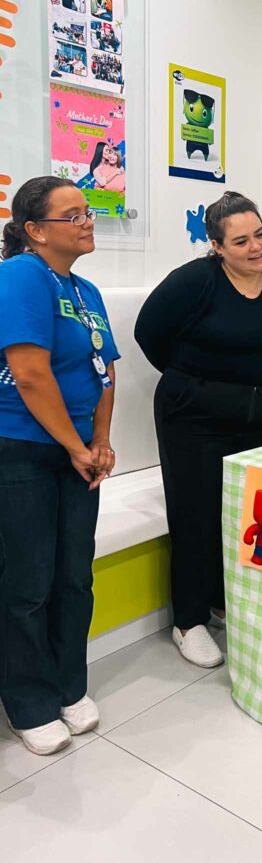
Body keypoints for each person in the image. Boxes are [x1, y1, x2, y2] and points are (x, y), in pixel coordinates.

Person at [134, 192, 262, 669]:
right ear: (217, 247)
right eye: (241, 241)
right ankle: (189, 620)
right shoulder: (195, 281)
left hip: (256, 423)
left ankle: (225, 601)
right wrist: (193, 382)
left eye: (260, 234)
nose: (255, 247)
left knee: (247, 516)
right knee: (196, 516)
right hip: (193, 420)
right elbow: (148, 333)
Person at [0, 176, 119, 756]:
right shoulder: (20, 274)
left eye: (88, 211)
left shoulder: (87, 290)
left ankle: (70, 685)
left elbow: (106, 370)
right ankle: (29, 702)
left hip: (78, 450)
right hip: (23, 449)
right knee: (28, 581)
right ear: (36, 230)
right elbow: (30, 375)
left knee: (74, 575)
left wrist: (101, 440)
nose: (87, 221)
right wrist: (76, 446)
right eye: (72, 215)